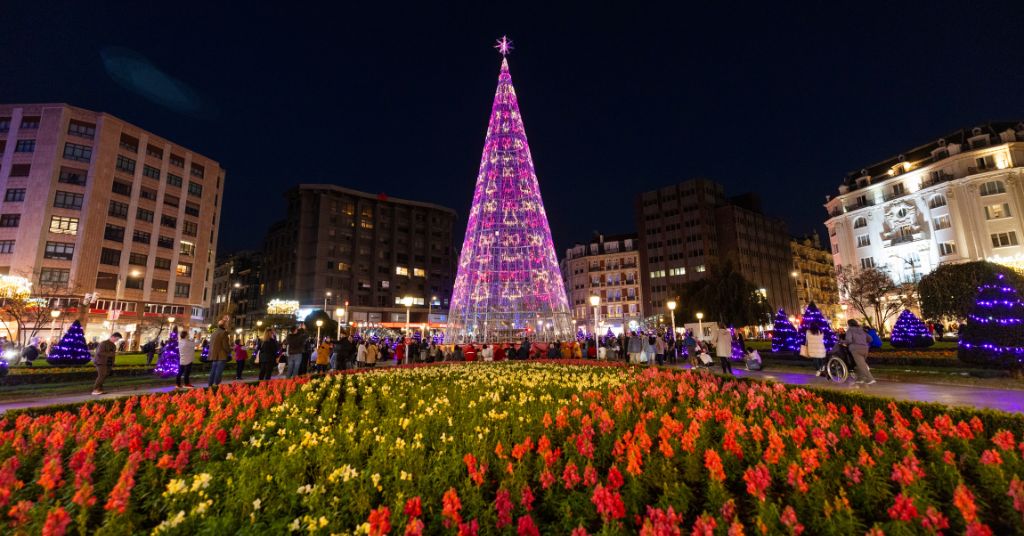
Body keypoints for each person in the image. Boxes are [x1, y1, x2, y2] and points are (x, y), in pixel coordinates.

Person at [844, 319, 876, 385]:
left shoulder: (850, 330)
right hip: (865, 349)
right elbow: (870, 339)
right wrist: (863, 341)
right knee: (859, 364)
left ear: (849, 324)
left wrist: (842, 342)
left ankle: (870, 379)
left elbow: (849, 340)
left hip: (856, 350)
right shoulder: (862, 329)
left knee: (861, 365)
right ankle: (860, 379)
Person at [209, 316, 232, 387]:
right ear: (224, 325)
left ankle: (210, 385)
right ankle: (216, 385)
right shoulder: (223, 333)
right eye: (226, 324)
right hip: (221, 355)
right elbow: (225, 345)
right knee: (218, 371)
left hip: (214, 355)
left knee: (213, 371)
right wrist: (229, 351)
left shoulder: (214, 332)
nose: (227, 326)